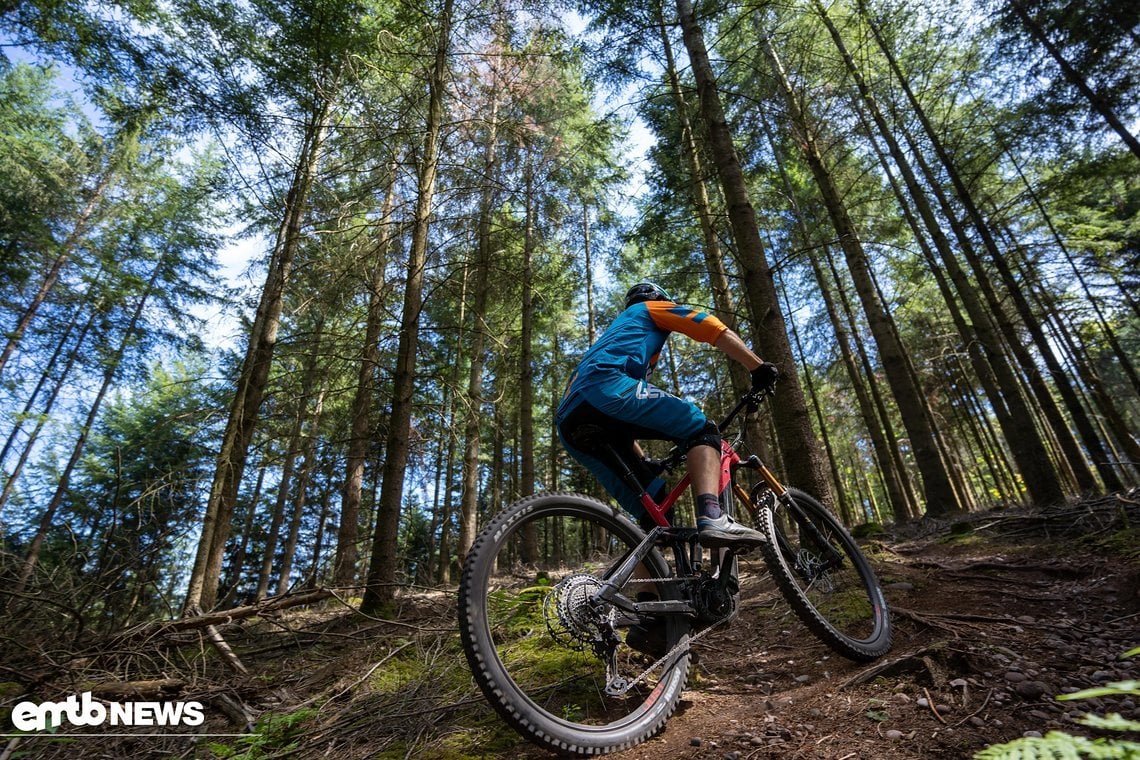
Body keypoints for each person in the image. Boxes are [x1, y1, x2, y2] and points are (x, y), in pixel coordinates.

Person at [556, 281, 780, 547]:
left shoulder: (618, 336)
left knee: (655, 511)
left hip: (570, 418)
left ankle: (643, 589)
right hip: (606, 386)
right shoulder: (651, 309)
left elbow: (616, 416)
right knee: (702, 430)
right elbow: (710, 327)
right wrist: (756, 367)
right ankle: (712, 516)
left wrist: (644, 460)